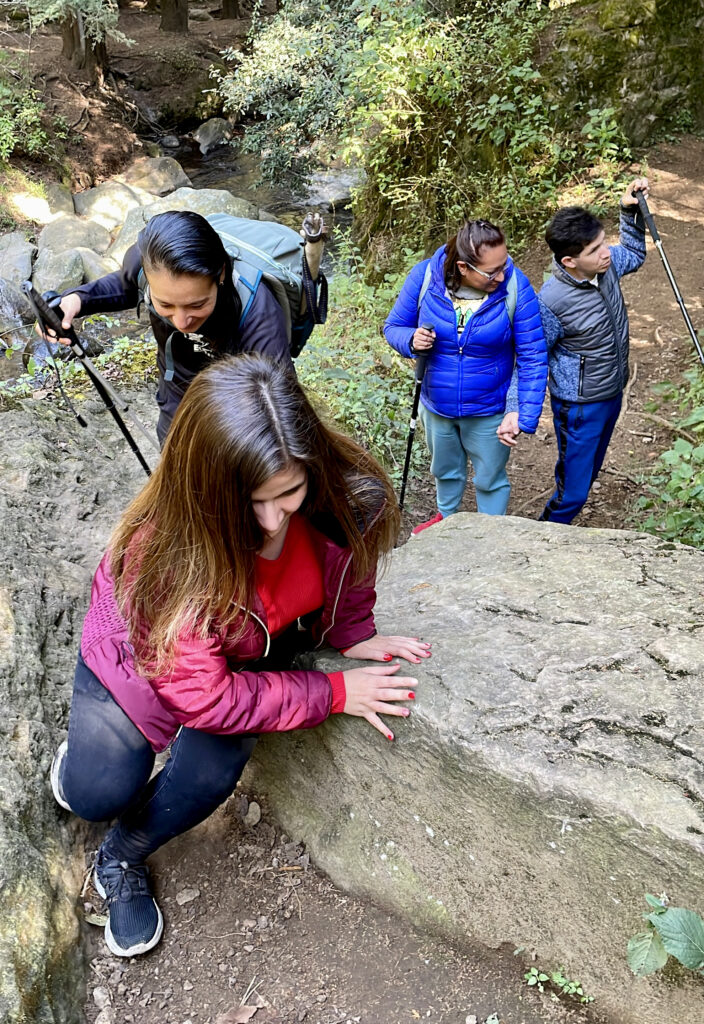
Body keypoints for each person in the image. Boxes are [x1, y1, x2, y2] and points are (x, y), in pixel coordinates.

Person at [50, 353, 430, 958]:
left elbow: (351, 564)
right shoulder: (164, 555)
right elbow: (203, 695)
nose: (272, 522)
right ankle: (86, 766)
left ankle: (121, 855)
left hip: (242, 650)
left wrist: (352, 632)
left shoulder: (347, 494)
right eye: (249, 503)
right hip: (142, 645)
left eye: (288, 494)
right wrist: (333, 692)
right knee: (95, 793)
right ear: (203, 489)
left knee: (213, 770)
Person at [50, 210, 292, 444]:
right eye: (165, 304)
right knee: (173, 447)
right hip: (177, 378)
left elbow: (279, 406)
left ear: (221, 274)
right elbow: (125, 285)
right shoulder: (142, 261)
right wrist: (78, 299)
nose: (181, 321)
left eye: (196, 304)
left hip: (239, 391)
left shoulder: (259, 312)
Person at [384, 219, 547, 533]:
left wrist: (520, 413)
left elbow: (533, 357)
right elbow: (394, 327)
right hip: (436, 407)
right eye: (492, 272)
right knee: (445, 471)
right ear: (462, 267)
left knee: (490, 479)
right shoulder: (424, 277)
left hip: (490, 409)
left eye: (504, 265)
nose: (502, 275)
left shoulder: (515, 286)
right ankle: (446, 524)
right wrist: (410, 340)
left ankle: (490, 535)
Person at [538, 178, 649, 524]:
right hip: (579, 407)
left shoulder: (606, 266)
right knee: (573, 492)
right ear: (570, 261)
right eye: (595, 250)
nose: (606, 253)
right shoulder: (551, 301)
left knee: (585, 476)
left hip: (611, 391)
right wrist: (517, 410)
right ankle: (539, 545)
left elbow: (631, 253)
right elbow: (532, 356)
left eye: (604, 243)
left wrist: (628, 212)